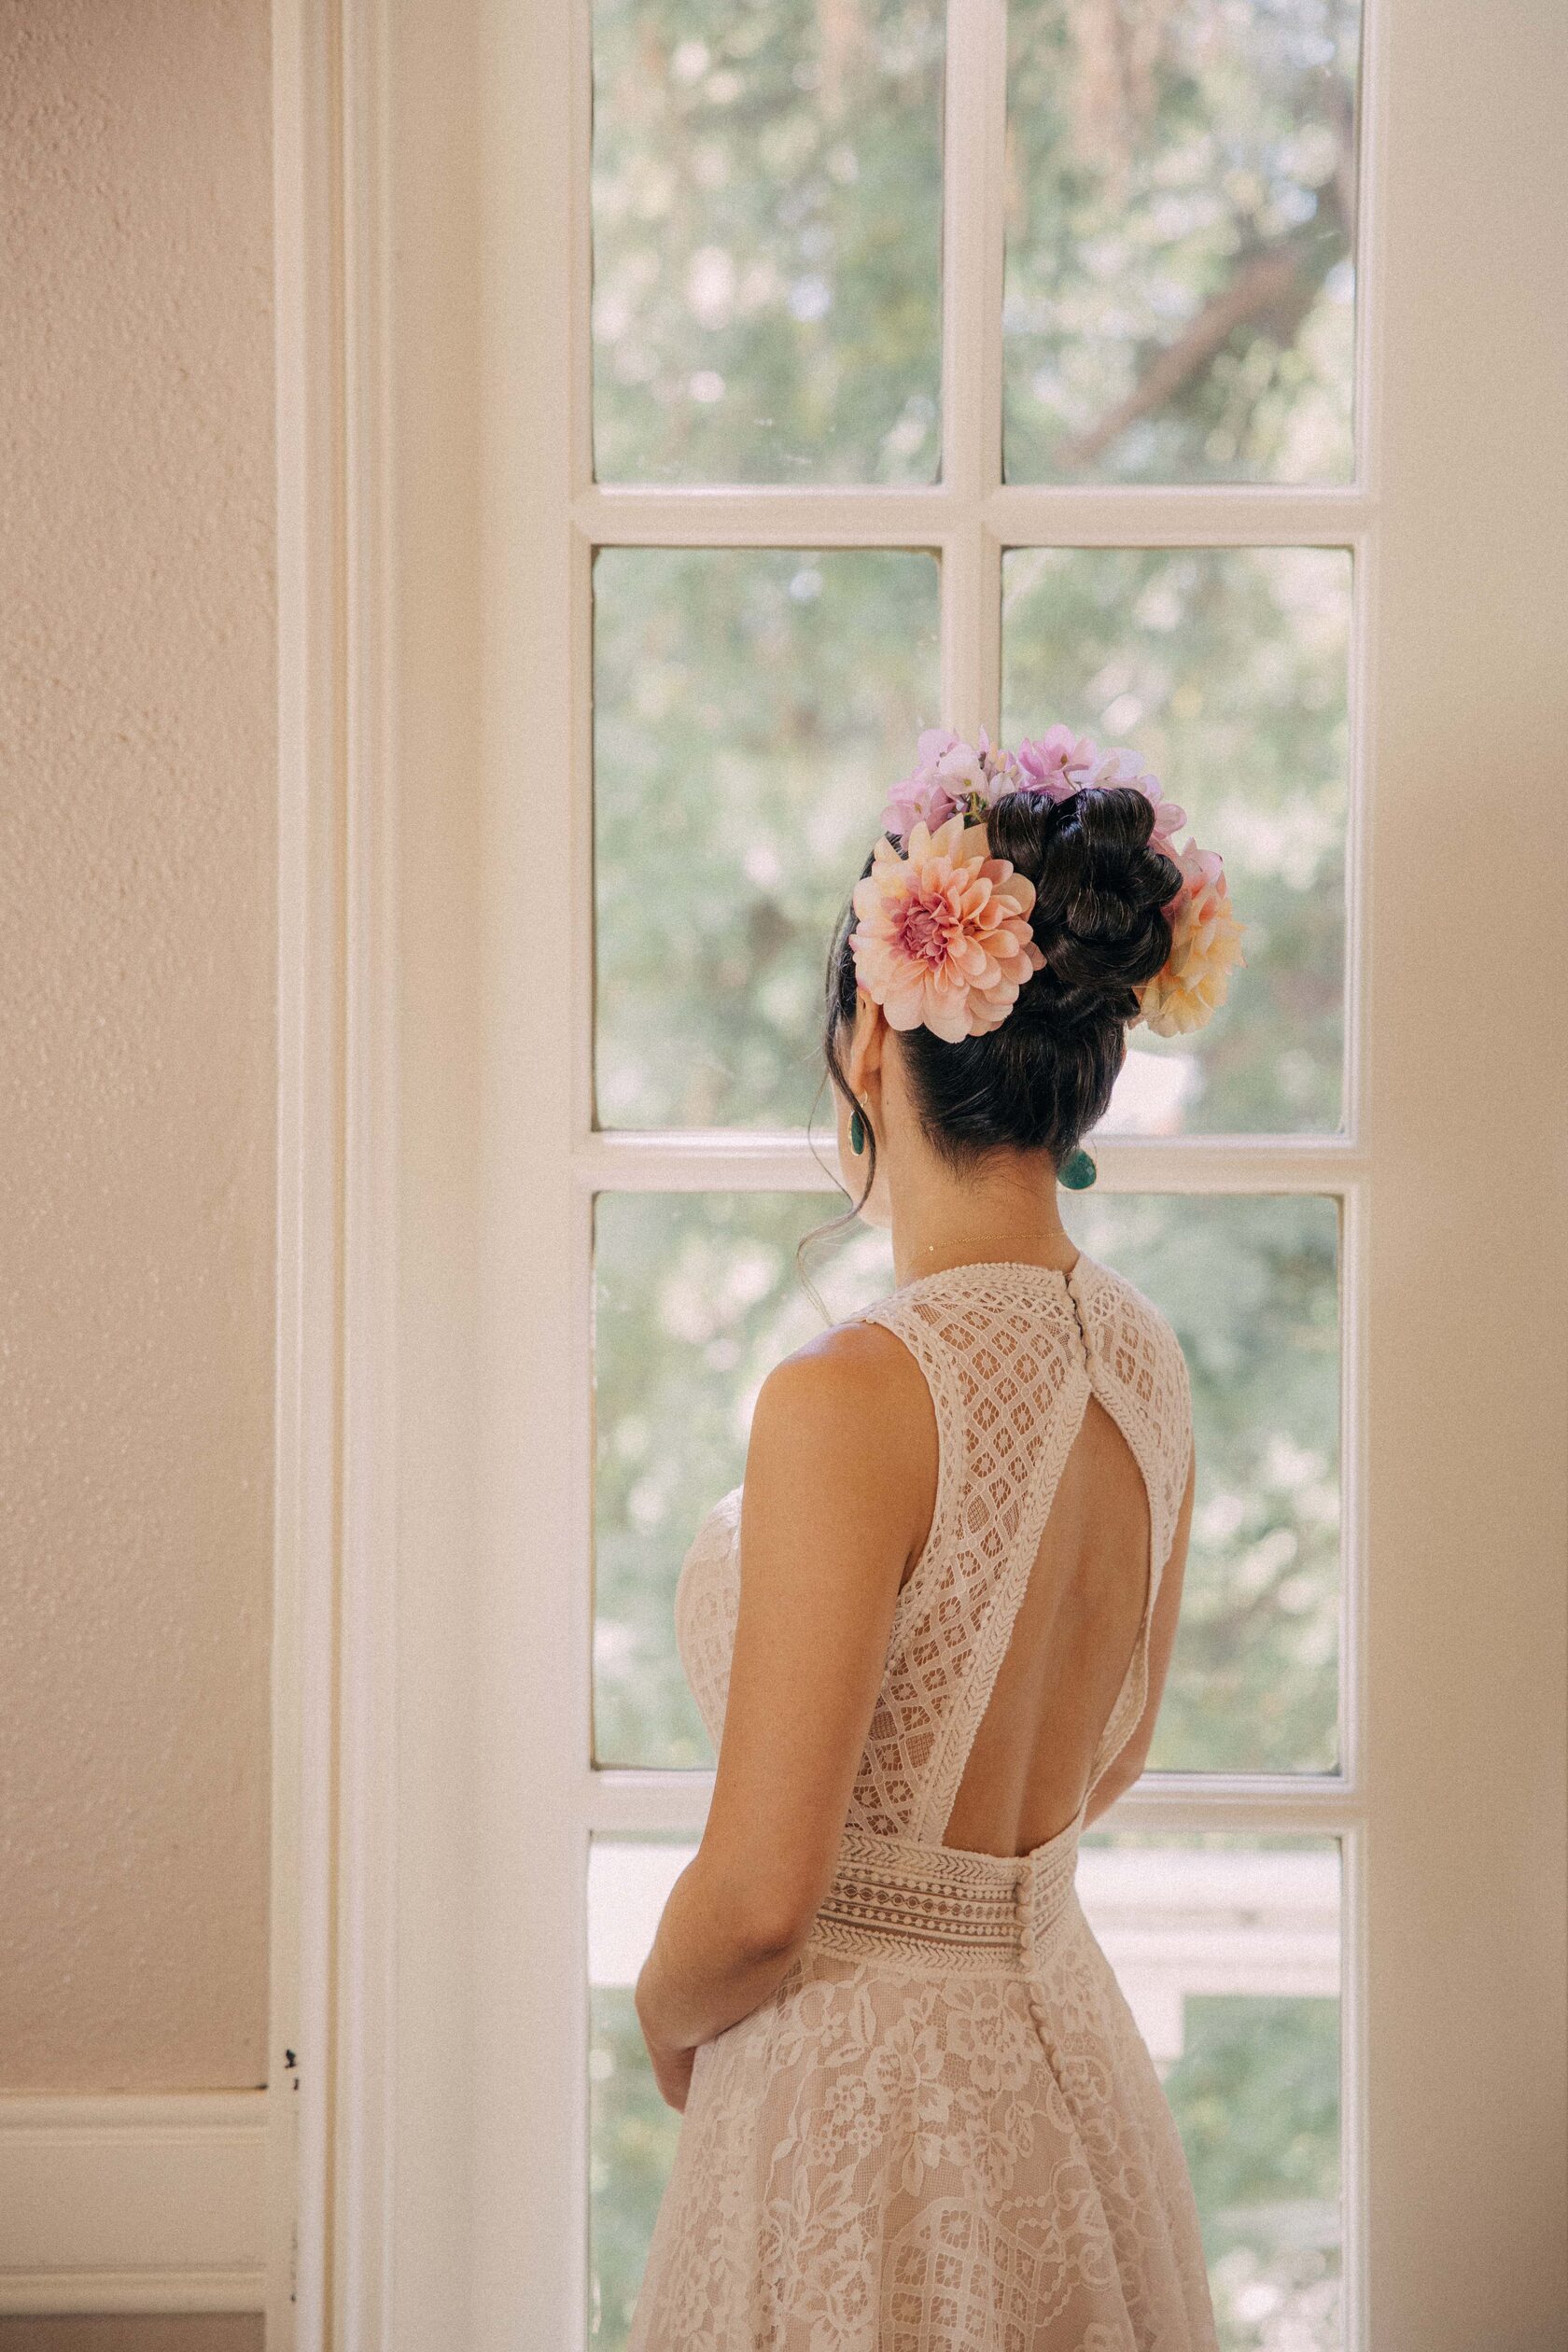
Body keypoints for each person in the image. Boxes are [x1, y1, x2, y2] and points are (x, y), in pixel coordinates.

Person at [627, 723, 1246, 2350]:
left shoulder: (851, 1399)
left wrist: (664, 2017)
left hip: (861, 2108)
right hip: (1067, 2079)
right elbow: (1105, 1766)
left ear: (866, 1039)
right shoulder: (1144, 1364)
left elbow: (763, 1898)